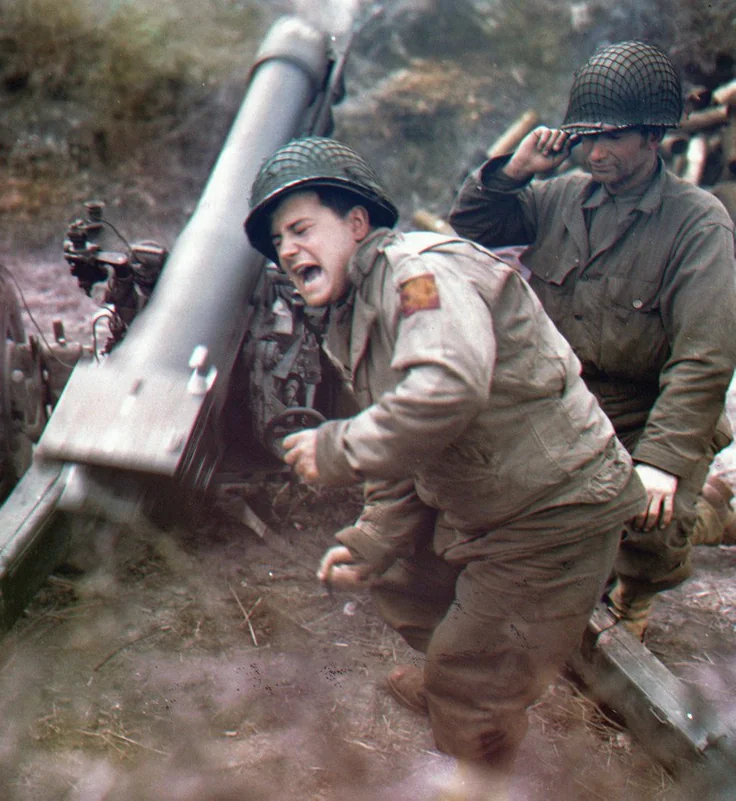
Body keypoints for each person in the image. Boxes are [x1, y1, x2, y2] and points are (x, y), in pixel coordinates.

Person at [244, 136, 645, 801]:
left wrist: (339, 446)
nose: (287, 250)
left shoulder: (416, 274)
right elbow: (407, 444)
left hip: (555, 505)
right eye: (280, 240)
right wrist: (373, 535)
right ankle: (472, 667)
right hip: (493, 500)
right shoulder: (354, 307)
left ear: (357, 224)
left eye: (300, 228)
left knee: (469, 671)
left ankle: (477, 731)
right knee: (396, 573)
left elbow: (447, 388)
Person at [450, 41, 736, 638]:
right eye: (586, 136)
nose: (596, 151)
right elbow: (471, 224)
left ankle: (647, 578)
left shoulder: (699, 224)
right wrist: (515, 171)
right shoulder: (558, 198)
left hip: (646, 415)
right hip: (559, 407)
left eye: (613, 138)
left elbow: (703, 361)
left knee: (650, 518)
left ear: (653, 137)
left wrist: (661, 463)